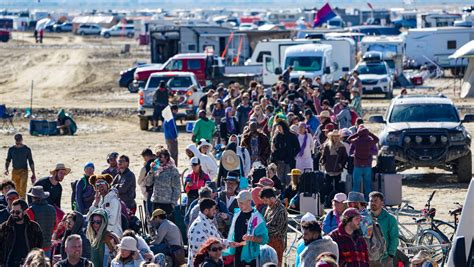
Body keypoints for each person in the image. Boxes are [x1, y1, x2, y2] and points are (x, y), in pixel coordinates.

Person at [224, 190, 269, 267]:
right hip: (237, 254)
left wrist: (253, 238)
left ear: (249, 202)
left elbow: (265, 239)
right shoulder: (237, 214)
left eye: (241, 203)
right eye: (238, 202)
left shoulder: (256, 217)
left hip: (250, 257)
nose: (239, 205)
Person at [0, 199, 43, 266]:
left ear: (25, 211)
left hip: (28, 264)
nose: (14, 214)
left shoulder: (34, 227)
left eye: (17, 212)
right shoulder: (5, 227)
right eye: (12, 212)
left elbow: (38, 248)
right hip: (9, 264)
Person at [187, 198, 225, 267]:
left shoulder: (209, 222)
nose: (215, 212)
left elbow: (216, 240)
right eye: (213, 209)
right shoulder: (197, 225)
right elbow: (197, 247)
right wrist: (216, 248)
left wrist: (227, 243)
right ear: (206, 211)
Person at [145, 147, 180, 215]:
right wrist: (151, 171)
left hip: (167, 203)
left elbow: (177, 189)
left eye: (161, 157)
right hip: (156, 201)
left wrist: (172, 203)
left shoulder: (173, 170)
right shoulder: (156, 169)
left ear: (166, 157)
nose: (159, 159)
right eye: (157, 157)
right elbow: (148, 183)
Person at [348, 126, 379, 200]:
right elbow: (377, 139)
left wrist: (357, 134)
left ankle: (353, 200)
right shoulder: (369, 141)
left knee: (356, 185)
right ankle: (368, 201)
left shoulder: (356, 141)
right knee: (367, 185)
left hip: (357, 166)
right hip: (367, 166)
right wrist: (370, 133)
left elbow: (348, 139)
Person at [26, 186, 57, 258]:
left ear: (33, 198)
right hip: (47, 247)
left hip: (34, 248)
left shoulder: (30, 211)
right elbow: (55, 227)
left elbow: (28, 229)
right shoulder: (52, 209)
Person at [369, 191, 399, 267]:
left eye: (375, 201)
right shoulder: (365, 217)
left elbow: (394, 238)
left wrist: (390, 255)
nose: (372, 203)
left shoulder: (390, 219)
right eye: (371, 201)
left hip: (385, 258)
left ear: (382, 203)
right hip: (369, 258)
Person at [260, 187, 288, 267]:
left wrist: (263, 229)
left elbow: (278, 229)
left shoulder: (281, 210)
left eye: (266, 200)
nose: (265, 203)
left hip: (277, 242)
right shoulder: (269, 207)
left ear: (272, 198)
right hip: (267, 240)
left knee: (275, 264)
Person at [320, 130, 348, 206]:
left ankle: (339, 203)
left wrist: (341, 165)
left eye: (337, 136)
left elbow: (345, 157)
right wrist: (323, 163)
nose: (335, 138)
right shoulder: (327, 145)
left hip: (338, 170)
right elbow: (323, 156)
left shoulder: (342, 146)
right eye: (334, 136)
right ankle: (327, 202)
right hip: (328, 169)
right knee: (327, 186)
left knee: (338, 187)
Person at [4, 133, 36, 198]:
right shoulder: (11, 149)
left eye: (19, 140)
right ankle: (15, 201)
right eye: (17, 140)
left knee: (23, 188)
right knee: (15, 188)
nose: (18, 141)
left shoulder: (26, 149)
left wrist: (33, 173)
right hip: (15, 171)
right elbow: (8, 160)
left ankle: (22, 202)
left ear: (22, 140)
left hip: (24, 171)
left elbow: (31, 161)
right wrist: (6, 169)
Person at [271, 119, 300, 186]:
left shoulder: (292, 136)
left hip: (289, 162)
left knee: (288, 180)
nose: (278, 129)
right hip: (280, 162)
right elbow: (274, 149)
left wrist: (292, 156)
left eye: (279, 127)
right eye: (278, 127)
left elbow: (298, 148)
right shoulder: (277, 136)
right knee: (279, 180)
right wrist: (275, 159)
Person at [137, 148, 156, 214]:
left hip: (149, 192)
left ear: (146, 156)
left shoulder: (147, 166)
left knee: (149, 214)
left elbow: (139, 181)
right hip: (160, 192)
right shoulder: (159, 162)